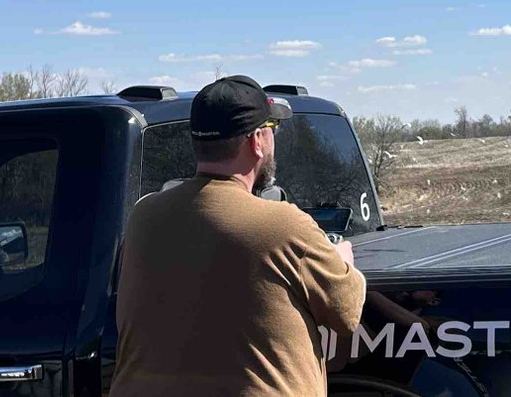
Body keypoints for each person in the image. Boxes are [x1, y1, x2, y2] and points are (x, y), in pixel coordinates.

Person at [112, 75, 367, 397]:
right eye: (272, 131)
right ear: (257, 141)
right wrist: (344, 262)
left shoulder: (144, 216)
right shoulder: (284, 225)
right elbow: (345, 313)